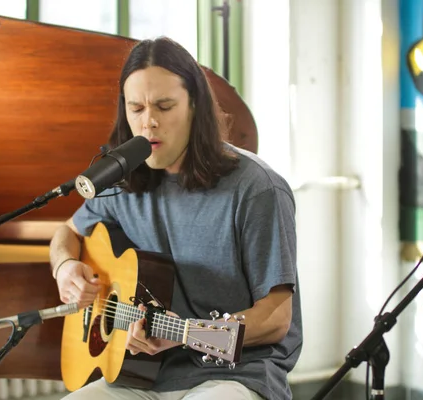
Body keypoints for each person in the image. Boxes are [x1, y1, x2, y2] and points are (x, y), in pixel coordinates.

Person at [49, 36, 302, 400]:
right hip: (140, 377)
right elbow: (67, 232)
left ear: (195, 106)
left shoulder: (256, 188)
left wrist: (186, 333)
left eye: (164, 106)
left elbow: (277, 319)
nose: (148, 122)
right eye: (136, 108)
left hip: (236, 376)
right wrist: (65, 267)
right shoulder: (122, 181)